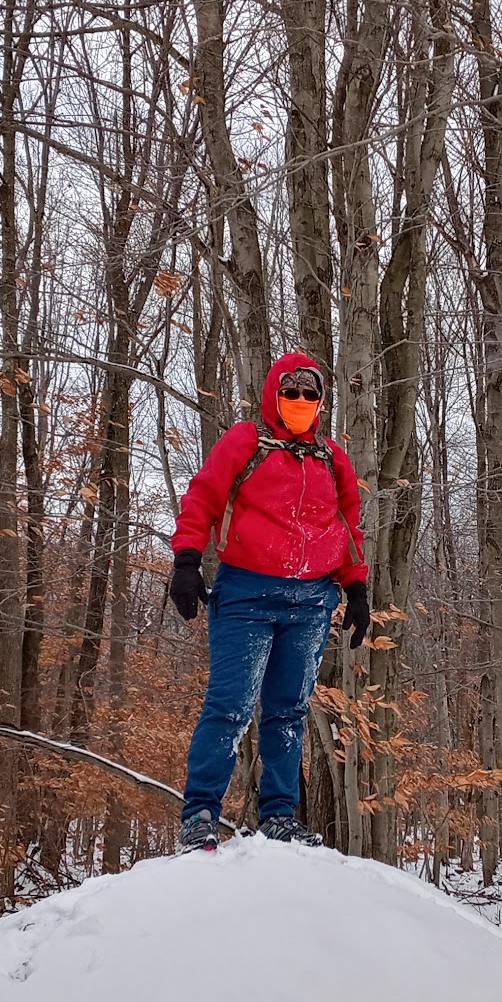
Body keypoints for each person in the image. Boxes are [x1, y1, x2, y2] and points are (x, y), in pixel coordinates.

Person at [167, 351, 370, 852]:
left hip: (311, 602)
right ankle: (200, 816)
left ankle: (279, 815)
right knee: (231, 706)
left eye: (310, 393)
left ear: (321, 401)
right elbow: (204, 496)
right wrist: (187, 560)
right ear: (274, 393)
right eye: (291, 391)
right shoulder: (245, 440)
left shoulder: (331, 456)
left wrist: (358, 587)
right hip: (247, 593)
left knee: (289, 710)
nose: (300, 400)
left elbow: (347, 526)